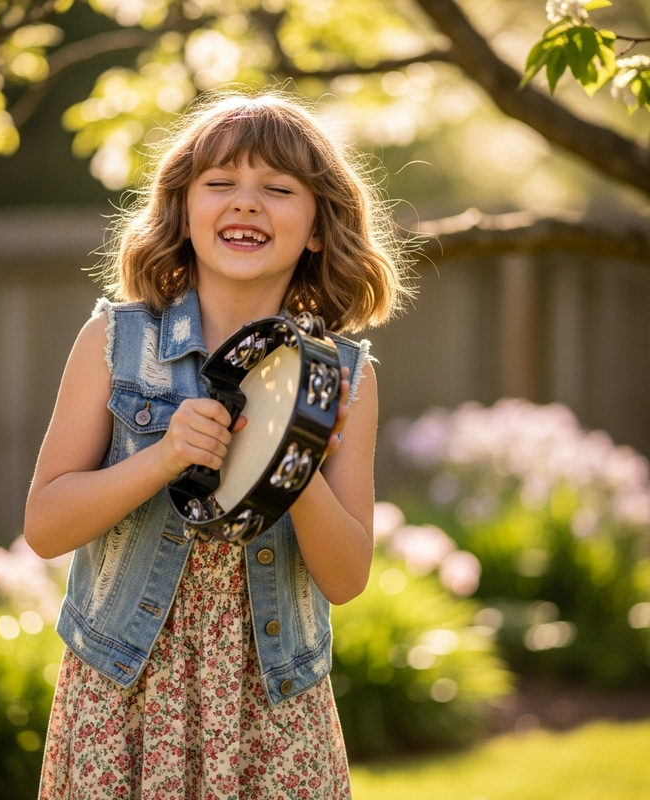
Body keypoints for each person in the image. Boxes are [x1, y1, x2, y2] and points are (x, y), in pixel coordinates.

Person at [24, 88, 411, 799]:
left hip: (273, 705)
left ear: (320, 227)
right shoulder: (115, 343)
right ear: (184, 211)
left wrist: (295, 463)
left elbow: (347, 577)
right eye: (221, 183)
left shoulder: (345, 379)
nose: (246, 202)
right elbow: (45, 527)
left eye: (278, 188)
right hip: (125, 694)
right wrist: (164, 458)